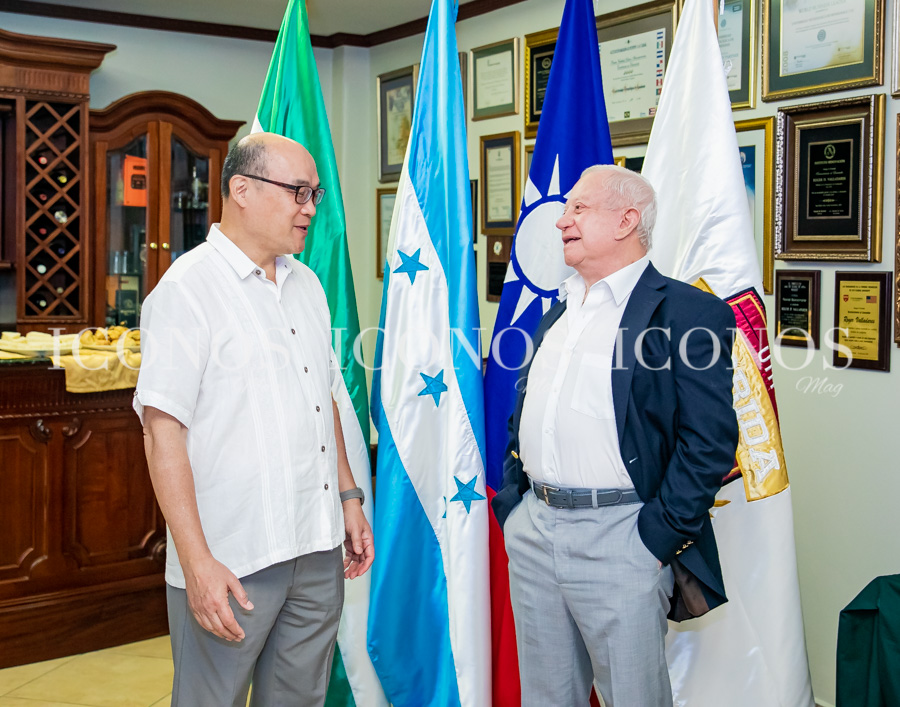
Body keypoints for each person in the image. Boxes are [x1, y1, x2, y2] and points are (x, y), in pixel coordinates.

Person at [135, 132, 374, 707]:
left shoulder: (307, 285)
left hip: (316, 546)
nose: (310, 208)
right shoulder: (185, 291)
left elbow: (326, 401)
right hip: (233, 556)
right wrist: (196, 562)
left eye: (314, 193)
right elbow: (161, 434)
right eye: (298, 192)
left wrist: (348, 497)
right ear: (240, 189)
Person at [491, 164, 739, 707]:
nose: (561, 221)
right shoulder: (557, 311)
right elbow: (525, 415)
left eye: (579, 208)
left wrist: (654, 539)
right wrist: (515, 507)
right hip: (534, 532)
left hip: (623, 538)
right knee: (546, 697)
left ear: (628, 220)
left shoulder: (688, 314)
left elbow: (711, 440)